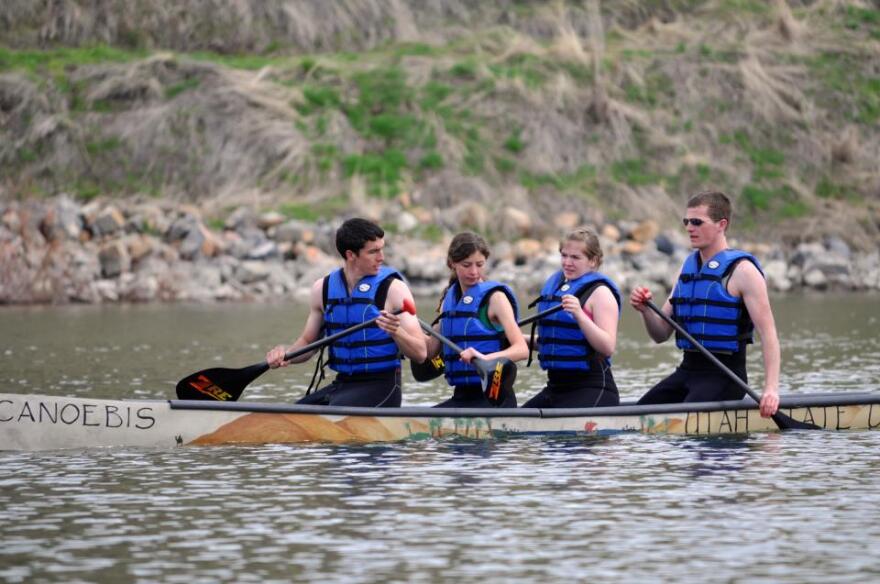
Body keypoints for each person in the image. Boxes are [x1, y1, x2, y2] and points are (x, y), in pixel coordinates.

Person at [630, 191, 780, 417]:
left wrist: (771, 390)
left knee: (685, 426)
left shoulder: (743, 271)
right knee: (638, 417)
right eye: (686, 222)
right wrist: (645, 310)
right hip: (687, 372)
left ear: (721, 224)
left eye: (697, 222)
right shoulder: (688, 267)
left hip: (726, 376)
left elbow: (769, 336)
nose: (690, 228)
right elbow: (660, 334)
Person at [266, 218, 426, 407]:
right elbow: (308, 343)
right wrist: (286, 354)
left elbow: (421, 353)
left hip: (382, 386)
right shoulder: (322, 289)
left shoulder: (393, 289)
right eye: (373, 251)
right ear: (351, 255)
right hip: (342, 384)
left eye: (382, 249)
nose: (381, 257)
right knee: (289, 417)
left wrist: (396, 331)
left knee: (326, 415)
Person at [522, 227, 622, 408]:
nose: (567, 262)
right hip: (556, 388)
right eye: (564, 255)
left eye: (575, 257)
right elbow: (553, 342)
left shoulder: (601, 293)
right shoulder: (556, 287)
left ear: (593, 261)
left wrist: (579, 315)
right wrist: (510, 336)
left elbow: (607, 347)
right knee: (515, 428)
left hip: (592, 388)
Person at [426, 232, 528, 408]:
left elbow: (521, 349)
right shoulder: (448, 301)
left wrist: (484, 358)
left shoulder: (496, 299)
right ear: (452, 263)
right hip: (461, 396)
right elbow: (430, 352)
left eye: (479, 265)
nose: (474, 272)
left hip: (494, 397)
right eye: (466, 265)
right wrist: (401, 330)